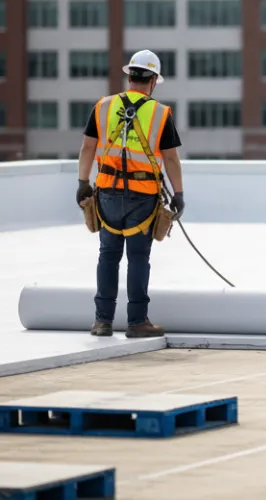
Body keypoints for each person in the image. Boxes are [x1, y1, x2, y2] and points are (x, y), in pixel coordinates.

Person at [76, 50, 184, 338]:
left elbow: (88, 147)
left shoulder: (103, 106)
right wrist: (179, 193)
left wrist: (83, 183)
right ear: (153, 82)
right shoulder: (160, 113)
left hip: (107, 193)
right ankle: (137, 321)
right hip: (142, 195)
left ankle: (102, 321)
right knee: (138, 257)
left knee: (108, 255)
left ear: (130, 76)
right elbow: (171, 159)